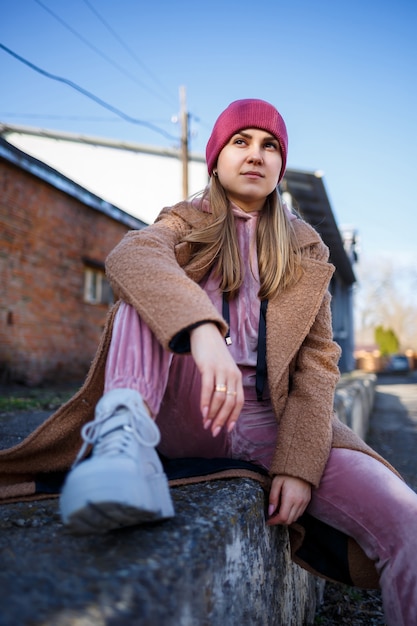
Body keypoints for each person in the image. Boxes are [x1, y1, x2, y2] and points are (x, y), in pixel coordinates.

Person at [1, 99, 416, 625]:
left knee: (408, 520)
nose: (255, 155)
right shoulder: (183, 223)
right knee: (143, 290)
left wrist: (298, 463)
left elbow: (317, 367)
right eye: (240, 142)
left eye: (270, 146)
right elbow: (129, 257)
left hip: (269, 421)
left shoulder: (307, 252)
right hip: (175, 409)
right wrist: (201, 330)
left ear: (281, 166)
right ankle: (121, 447)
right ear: (216, 158)